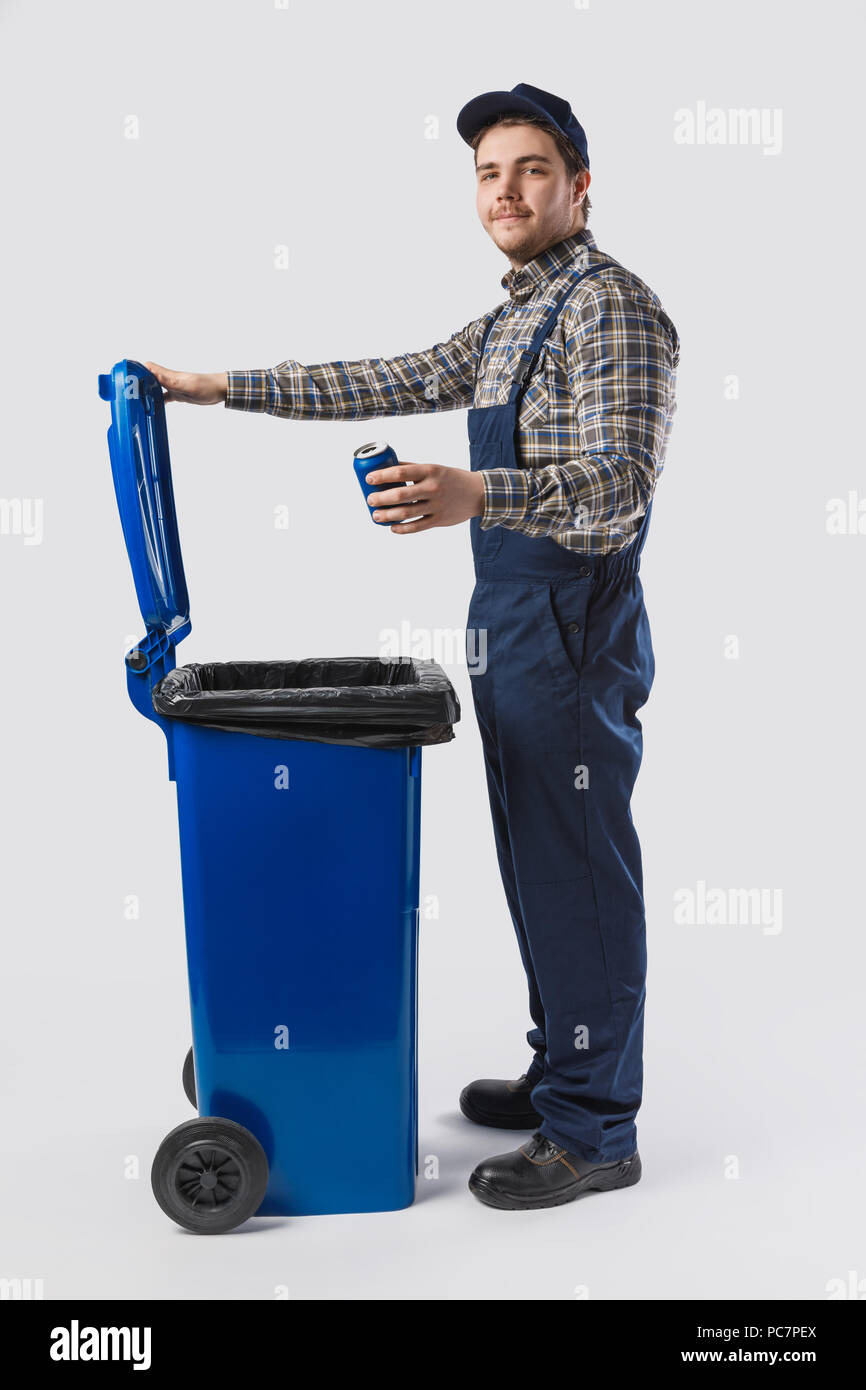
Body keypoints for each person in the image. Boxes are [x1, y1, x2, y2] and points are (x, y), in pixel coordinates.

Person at [146, 82, 680, 1212]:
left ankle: (595, 1128)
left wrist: (472, 492)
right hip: (512, 622)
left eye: (531, 169)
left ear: (579, 185)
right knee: (535, 855)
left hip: (572, 624)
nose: (506, 190)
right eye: (488, 173)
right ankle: (563, 1068)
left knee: (575, 861)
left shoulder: (611, 308)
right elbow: (386, 378)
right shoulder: (514, 317)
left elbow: (617, 493)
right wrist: (212, 387)